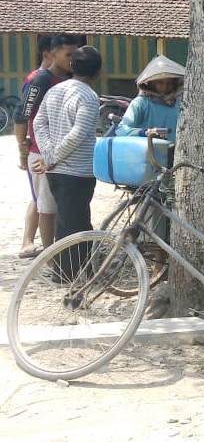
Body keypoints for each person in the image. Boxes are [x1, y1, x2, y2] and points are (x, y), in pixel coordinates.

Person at [32, 45, 102, 278]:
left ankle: (77, 269)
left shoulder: (55, 90)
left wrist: (49, 155)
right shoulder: (89, 96)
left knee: (69, 219)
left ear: (72, 66)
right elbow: (78, 134)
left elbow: (38, 123)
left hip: (56, 170)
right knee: (75, 223)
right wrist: (51, 157)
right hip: (78, 171)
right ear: (98, 72)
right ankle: (69, 273)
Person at [16, 35, 76, 258]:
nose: (72, 60)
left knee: (57, 204)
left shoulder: (73, 79)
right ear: (51, 55)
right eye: (68, 55)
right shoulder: (40, 80)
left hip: (65, 152)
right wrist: (23, 152)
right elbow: (22, 117)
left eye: (75, 55)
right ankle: (48, 256)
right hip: (40, 153)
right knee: (45, 205)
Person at [114, 55, 185, 142]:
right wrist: (145, 132)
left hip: (175, 153)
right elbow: (121, 130)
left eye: (169, 83)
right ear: (151, 83)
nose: (165, 86)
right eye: (160, 82)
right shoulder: (140, 103)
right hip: (147, 153)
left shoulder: (180, 104)